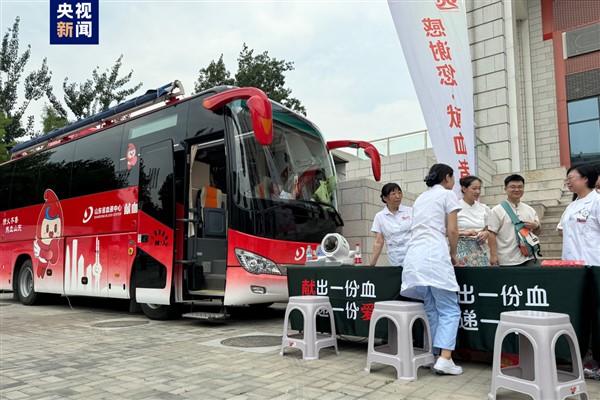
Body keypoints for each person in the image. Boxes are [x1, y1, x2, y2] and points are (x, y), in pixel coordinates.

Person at [400, 163, 463, 375]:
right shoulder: (447, 195)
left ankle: (433, 355)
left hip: (414, 258)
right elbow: (452, 230)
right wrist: (453, 254)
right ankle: (445, 358)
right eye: (453, 177)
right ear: (447, 177)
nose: (454, 182)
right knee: (449, 309)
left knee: (431, 307)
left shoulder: (420, 198)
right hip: (434, 255)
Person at [488, 174, 542, 266]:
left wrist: (536, 227)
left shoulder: (530, 210)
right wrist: (493, 256)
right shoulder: (497, 210)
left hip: (529, 257)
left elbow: (537, 233)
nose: (517, 190)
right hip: (506, 260)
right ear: (505, 189)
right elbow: (492, 234)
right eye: (513, 187)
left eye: (520, 187)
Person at [561, 164, 600, 265]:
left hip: (593, 262)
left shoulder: (597, 201)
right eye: (567, 179)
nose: (567, 182)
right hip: (570, 262)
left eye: (571, 178)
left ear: (585, 179)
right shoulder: (571, 207)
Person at [369, 183, 412, 266]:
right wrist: (372, 264)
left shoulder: (411, 211)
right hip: (395, 258)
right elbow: (379, 242)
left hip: (413, 255)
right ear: (385, 198)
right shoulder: (380, 216)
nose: (397, 196)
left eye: (399, 193)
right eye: (393, 194)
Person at [456, 176, 491, 266]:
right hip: (461, 250)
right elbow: (448, 232)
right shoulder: (455, 207)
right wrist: (466, 233)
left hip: (480, 250)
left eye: (479, 188)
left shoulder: (484, 208)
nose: (477, 192)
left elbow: (487, 230)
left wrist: (486, 234)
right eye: (474, 188)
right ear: (464, 189)